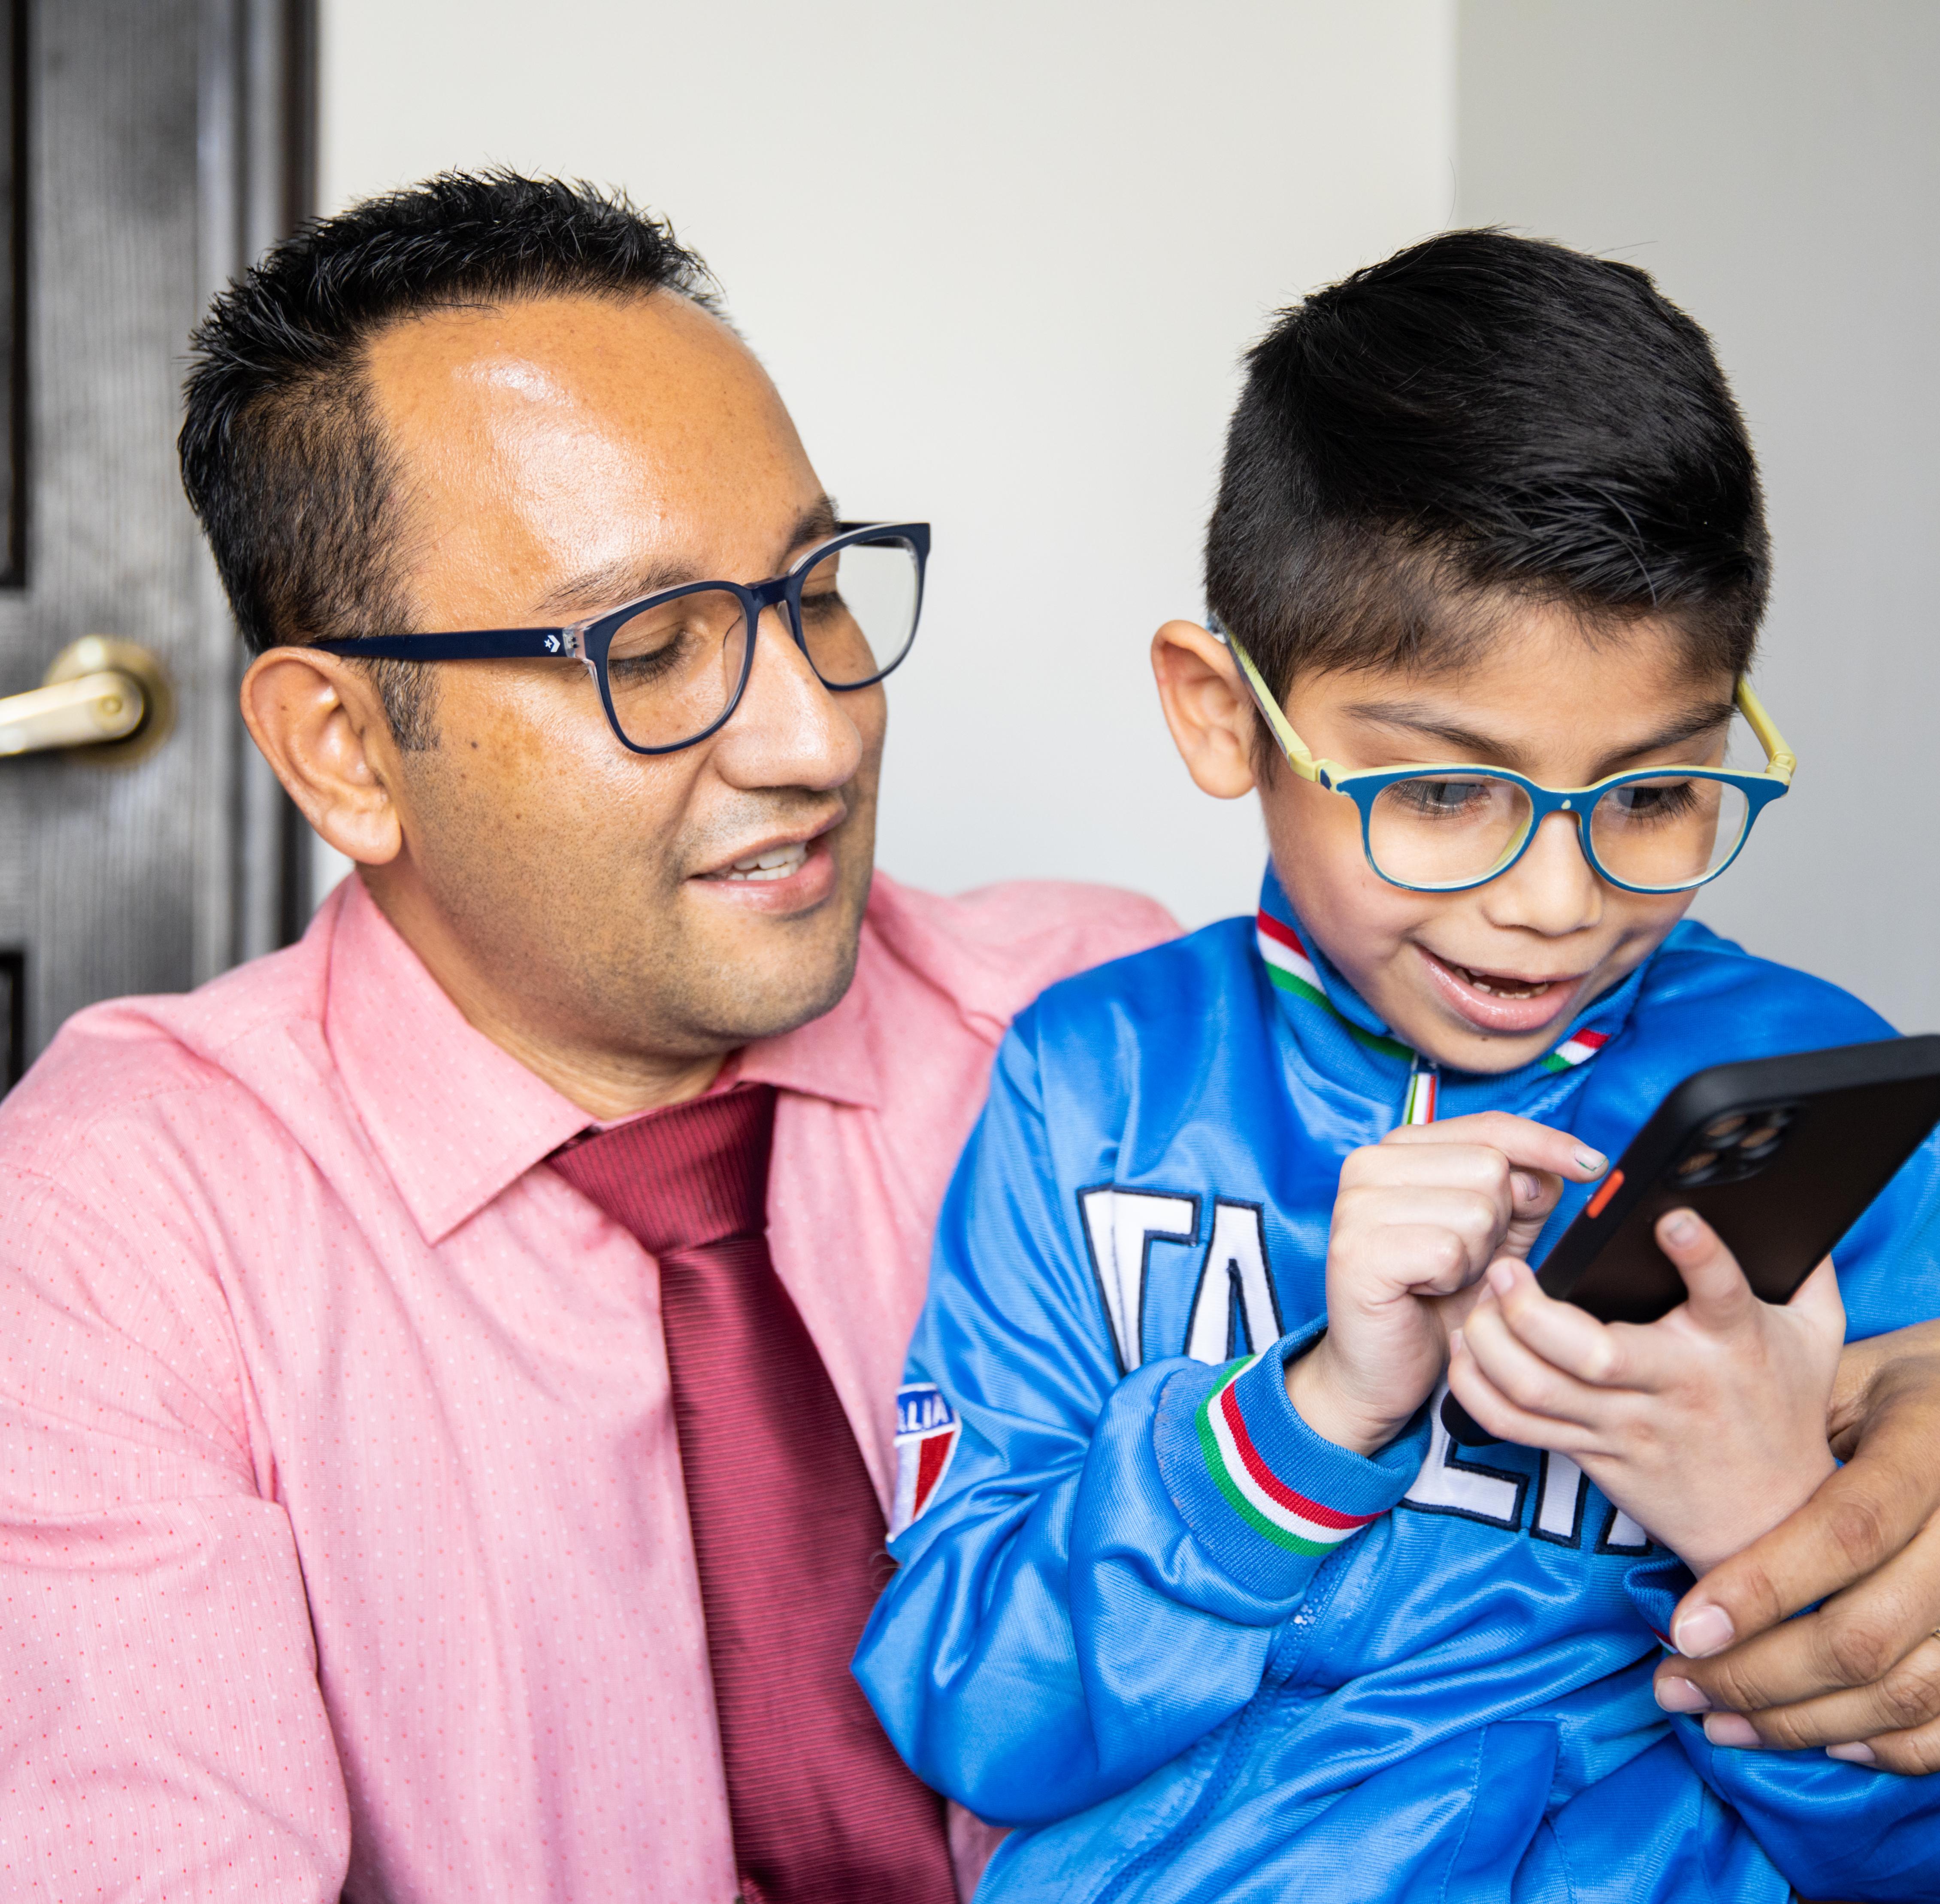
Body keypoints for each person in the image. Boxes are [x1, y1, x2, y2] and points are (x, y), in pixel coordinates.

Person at [0, 173, 1176, 1900]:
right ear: (341, 747)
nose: (815, 738)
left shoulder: (1104, 1036)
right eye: (647, 643)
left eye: (817, 589)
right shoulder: (114, 1230)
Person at [853, 232, 1940, 1901]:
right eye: (1442, 794)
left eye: (1652, 794)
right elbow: (968, 1706)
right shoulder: (1091, 1087)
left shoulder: (1827, 1114)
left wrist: (1765, 1515)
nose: (1559, 902)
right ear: (1224, 713)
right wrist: (1307, 1416)